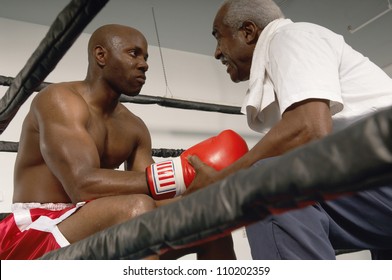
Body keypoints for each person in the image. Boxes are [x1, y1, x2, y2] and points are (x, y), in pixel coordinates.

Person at [0, 24, 237, 260]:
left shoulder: (133, 126)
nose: (144, 64)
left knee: (211, 222)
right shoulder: (59, 101)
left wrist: (200, 188)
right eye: (134, 53)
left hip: (92, 222)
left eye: (145, 57)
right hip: (33, 232)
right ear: (101, 55)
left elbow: (156, 194)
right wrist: (179, 176)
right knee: (136, 208)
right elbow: (82, 185)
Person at [187, 0, 392, 259]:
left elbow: (309, 129)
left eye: (219, 37)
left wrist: (224, 180)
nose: (216, 53)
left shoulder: (290, 37)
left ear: (248, 32)